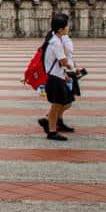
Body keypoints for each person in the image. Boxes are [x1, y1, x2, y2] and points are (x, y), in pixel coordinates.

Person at [37, 13, 75, 141]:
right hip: (54, 78)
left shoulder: (54, 40)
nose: (68, 28)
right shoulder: (56, 43)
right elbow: (63, 61)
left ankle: (52, 127)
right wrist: (73, 69)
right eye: (66, 26)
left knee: (60, 104)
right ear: (60, 29)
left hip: (57, 76)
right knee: (56, 106)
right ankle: (52, 132)